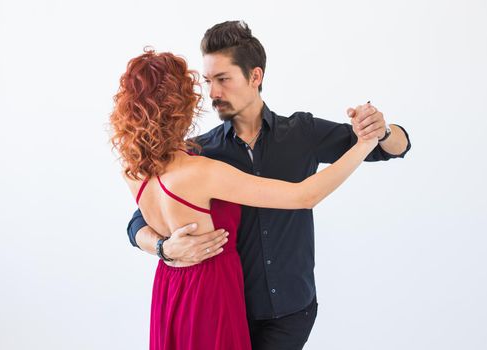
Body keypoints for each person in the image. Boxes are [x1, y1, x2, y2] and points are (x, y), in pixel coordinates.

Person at [126, 21, 411, 350]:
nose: (213, 92)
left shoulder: (302, 132)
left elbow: (395, 148)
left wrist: (383, 130)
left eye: (223, 79)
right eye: (207, 81)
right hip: (227, 308)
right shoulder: (200, 153)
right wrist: (163, 248)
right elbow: (139, 219)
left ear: (254, 76)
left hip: (291, 310)